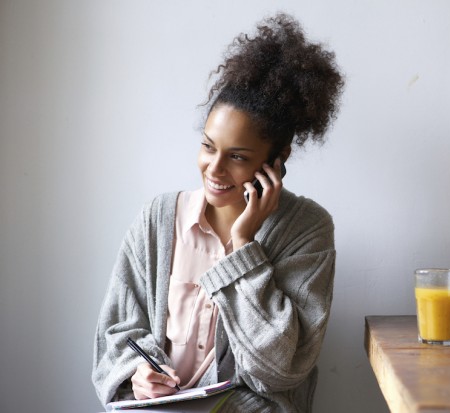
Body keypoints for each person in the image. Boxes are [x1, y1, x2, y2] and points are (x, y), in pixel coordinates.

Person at [92, 12, 344, 413]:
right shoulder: (157, 219)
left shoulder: (307, 229)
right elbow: (117, 332)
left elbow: (280, 370)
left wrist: (244, 245)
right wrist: (138, 372)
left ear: (277, 160)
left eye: (238, 157)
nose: (214, 168)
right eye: (208, 146)